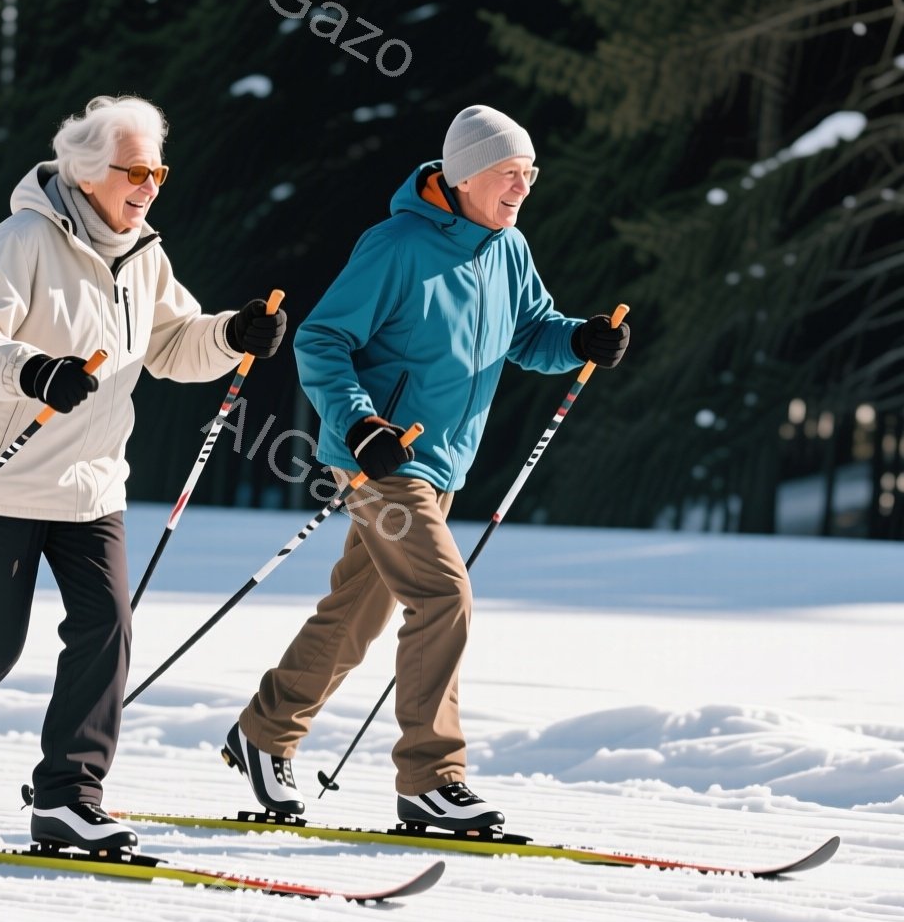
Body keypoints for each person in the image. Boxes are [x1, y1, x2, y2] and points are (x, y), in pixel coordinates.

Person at [0, 95, 287, 851]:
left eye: (158, 169)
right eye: (136, 171)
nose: (151, 185)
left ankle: (69, 797)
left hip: (93, 481)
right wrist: (35, 372)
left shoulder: (144, 254)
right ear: (88, 173)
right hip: (4, 478)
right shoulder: (22, 239)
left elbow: (172, 346)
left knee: (107, 628)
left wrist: (232, 333)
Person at [223, 105, 630, 832]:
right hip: (380, 461)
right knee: (445, 596)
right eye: (510, 173)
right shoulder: (398, 245)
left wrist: (582, 340)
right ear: (466, 172)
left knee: (355, 618)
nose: (522, 188)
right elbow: (321, 340)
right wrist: (362, 424)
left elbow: (532, 331)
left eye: (529, 175)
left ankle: (264, 734)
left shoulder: (507, 248)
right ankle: (431, 778)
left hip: (440, 466)